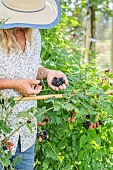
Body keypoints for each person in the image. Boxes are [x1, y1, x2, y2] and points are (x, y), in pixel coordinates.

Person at [0, 0, 68, 169]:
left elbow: (33, 68)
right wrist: (14, 85)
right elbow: (16, 79)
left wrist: (47, 73)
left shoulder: (34, 33)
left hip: (25, 130)